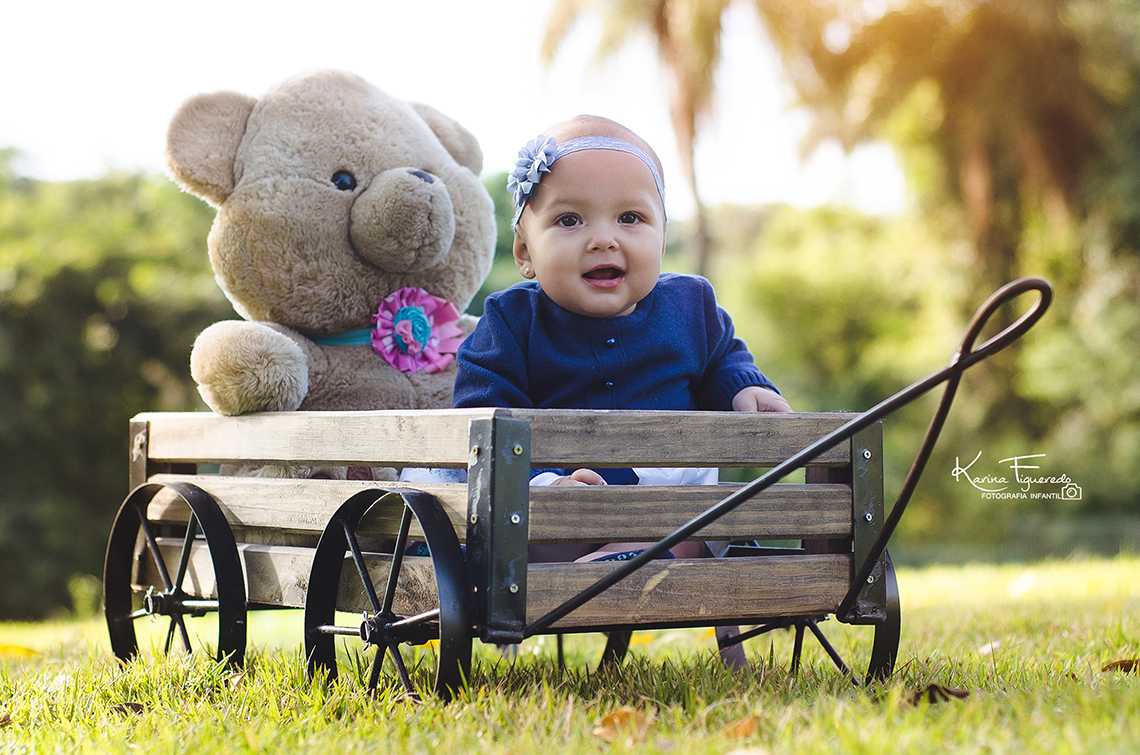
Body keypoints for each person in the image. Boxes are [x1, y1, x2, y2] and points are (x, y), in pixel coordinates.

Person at [452, 114, 791, 568]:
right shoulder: (509, 321)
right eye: (569, 220)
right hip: (559, 507)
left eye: (630, 218)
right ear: (524, 253)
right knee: (525, 523)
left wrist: (745, 386)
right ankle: (609, 557)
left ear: (663, 236)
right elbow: (483, 409)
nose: (603, 240)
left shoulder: (693, 305)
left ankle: (633, 558)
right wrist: (546, 483)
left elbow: (724, 359)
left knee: (701, 523)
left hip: (667, 502)